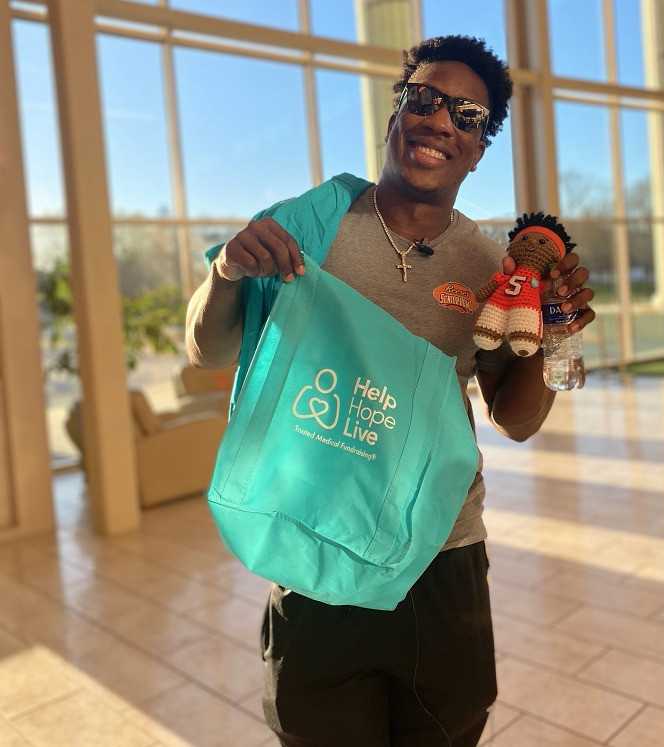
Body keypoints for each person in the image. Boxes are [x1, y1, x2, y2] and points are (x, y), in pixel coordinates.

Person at [186, 34, 595, 747]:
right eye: (423, 98)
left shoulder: (487, 265)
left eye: (465, 115)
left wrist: (553, 326)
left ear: (476, 148)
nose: (438, 119)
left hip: (440, 556)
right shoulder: (307, 227)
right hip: (315, 547)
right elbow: (207, 347)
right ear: (393, 118)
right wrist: (224, 272)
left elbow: (517, 419)